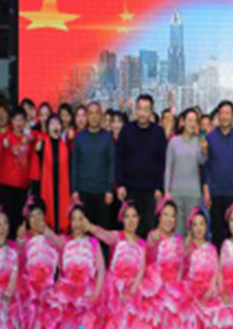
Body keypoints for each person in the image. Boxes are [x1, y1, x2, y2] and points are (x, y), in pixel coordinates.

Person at [38, 205, 107, 329]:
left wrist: (96, 294)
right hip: (67, 295)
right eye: (74, 219)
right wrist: (44, 227)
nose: (77, 223)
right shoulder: (65, 241)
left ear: (86, 220)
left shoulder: (93, 242)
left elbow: (101, 270)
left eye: (81, 219)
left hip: (87, 294)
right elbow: (52, 238)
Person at [90, 202, 149, 329]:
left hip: (132, 288)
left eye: (134, 216)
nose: (131, 220)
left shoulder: (142, 243)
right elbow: (102, 234)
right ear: (122, 219)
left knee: (132, 319)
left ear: (139, 219)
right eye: (127, 216)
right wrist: (89, 226)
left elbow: (141, 270)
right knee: (112, 323)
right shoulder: (117, 236)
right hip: (113, 288)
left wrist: (132, 292)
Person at [141, 198, 184, 329]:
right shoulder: (153, 236)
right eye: (165, 215)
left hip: (173, 287)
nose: (168, 219)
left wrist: (177, 287)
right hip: (155, 288)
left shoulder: (178, 239)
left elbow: (180, 266)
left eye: (172, 216)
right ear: (159, 217)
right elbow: (146, 261)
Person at [177, 209, 221, 329]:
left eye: (201, 224)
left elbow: (216, 271)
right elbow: (181, 271)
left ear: (206, 226)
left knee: (215, 315)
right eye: (195, 225)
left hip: (209, 292)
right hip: (191, 292)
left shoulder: (212, 248)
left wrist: (210, 292)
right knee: (192, 317)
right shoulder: (187, 248)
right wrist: (186, 248)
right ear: (190, 227)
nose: (198, 228)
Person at [17, 199, 62, 329]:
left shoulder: (51, 236)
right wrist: (20, 242)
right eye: (32, 216)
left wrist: (47, 231)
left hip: (50, 292)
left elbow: (62, 248)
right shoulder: (24, 238)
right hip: (30, 295)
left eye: (39, 215)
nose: (36, 219)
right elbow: (18, 265)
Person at [116, 95, 167, 238]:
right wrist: (120, 184)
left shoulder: (158, 132)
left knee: (150, 229)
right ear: (136, 111)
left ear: (151, 112)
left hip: (151, 191)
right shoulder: (126, 130)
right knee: (131, 229)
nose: (142, 113)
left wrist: (160, 187)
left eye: (146, 109)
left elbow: (162, 162)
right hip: (130, 188)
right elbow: (119, 159)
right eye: (140, 109)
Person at [202, 101, 233, 249]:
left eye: (228, 113)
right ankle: (217, 261)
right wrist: (206, 192)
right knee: (216, 233)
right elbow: (206, 167)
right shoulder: (210, 138)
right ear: (218, 115)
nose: (224, 116)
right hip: (215, 193)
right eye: (221, 113)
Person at [72, 102, 116, 238]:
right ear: (87, 116)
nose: (94, 116)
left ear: (101, 115)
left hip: (103, 192)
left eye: (97, 113)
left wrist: (110, 189)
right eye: (90, 113)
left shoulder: (107, 137)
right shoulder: (80, 137)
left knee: (103, 232)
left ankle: (102, 252)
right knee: (85, 232)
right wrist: (74, 190)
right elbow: (75, 165)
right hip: (84, 191)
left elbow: (112, 164)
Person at [164, 108, 207, 231]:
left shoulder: (199, 141)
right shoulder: (173, 142)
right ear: (182, 122)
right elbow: (168, 167)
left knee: (192, 230)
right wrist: (166, 191)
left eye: (195, 121)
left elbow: (202, 161)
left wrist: (204, 151)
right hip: (176, 193)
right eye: (190, 120)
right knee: (177, 230)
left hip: (194, 193)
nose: (192, 124)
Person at [31, 114, 72, 234]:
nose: (55, 126)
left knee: (61, 214)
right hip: (47, 187)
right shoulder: (42, 145)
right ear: (47, 128)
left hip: (62, 187)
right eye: (52, 124)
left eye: (58, 123)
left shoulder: (66, 146)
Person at [0, 107, 34, 236]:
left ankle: (16, 245)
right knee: (6, 219)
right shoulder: (7, 137)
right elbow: (3, 145)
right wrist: (5, 144)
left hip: (22, 186)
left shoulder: (28, 139)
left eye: (21, 120)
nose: (18, 123)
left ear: (25, 122)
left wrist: (29, 136)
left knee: (19, 219)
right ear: (11, 121)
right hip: (7, 185)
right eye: (15, 119)